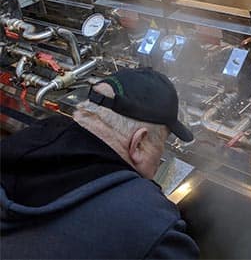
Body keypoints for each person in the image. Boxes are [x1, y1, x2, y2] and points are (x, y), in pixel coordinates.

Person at [0, 67, 200, 259]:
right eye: (161, 144)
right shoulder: (152, 226)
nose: (159, 160)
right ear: (138, 143)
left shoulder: (19, 146)